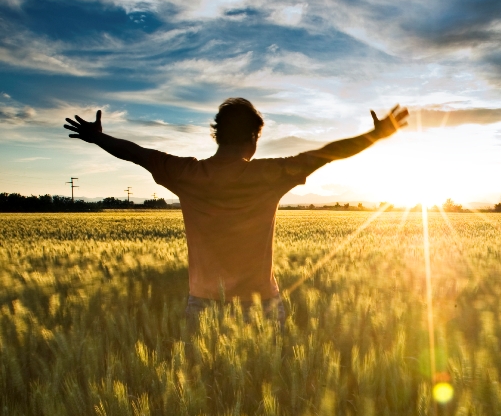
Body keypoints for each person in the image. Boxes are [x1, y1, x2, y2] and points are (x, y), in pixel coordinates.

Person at [63, 98, 408, 325]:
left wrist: (99, 139)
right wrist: (375, 135)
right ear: (255, 137)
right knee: (271, 391)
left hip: (202, 306)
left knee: (204, 401)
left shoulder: (187, 174)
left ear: (216, 135)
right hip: (263, 306)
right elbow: (328, 153)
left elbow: (138, 153)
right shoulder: (269, 174)